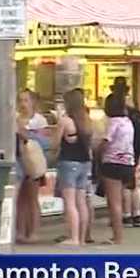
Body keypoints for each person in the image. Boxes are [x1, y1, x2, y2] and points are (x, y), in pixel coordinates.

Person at [54, 89, 93, 245]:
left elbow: (54, 143)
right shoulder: (87, 121)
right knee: (81, 202)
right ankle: (82, 238)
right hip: (85, 163)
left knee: (70, 203)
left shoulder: (65, 121)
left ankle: (74, 237)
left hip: (68, 162)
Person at [113, 79, 140, 228]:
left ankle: (126, 215)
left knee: (123, 185)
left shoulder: (119, 114)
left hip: (122, 152)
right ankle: (136, 214)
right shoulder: (138, 114)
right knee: (134, 184)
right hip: (136, 151)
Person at [98, 92, 135, 244]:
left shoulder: (113, 122)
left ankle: (117, 236)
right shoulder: (128, 121)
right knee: (120, 199)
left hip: (113, 163)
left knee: (114, 202)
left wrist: (97, 150)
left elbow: (106, 142)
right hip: (128, 163)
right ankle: (118, 235)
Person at [14, 89, 48, 243]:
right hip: (19, 161)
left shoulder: (39, 120)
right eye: (20, 100)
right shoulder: (15, 118)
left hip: (33, 161)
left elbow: (43, 142)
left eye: (26, 100)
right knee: (20, 199)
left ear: (33, 102)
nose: (22, 104)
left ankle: (33, 232)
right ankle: (20, 231)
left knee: (32, 198)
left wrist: (24, 132)